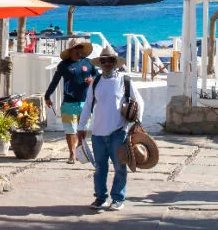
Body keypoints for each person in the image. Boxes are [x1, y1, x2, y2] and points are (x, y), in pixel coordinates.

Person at [76, 43, 144, 212]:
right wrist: (81, 127)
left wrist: (138, 123)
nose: (107, 63)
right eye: (104, 61)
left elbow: (139, 102)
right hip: (97, 133)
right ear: (100, 63)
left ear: (115, 62)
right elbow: (88, 106)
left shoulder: (124, 81)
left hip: (117, 132)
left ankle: (118, 198)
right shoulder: (96, 81)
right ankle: (100, 198)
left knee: (120, 167)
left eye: (110, 60)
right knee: (100, 168)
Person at [44, 37, 98, 163]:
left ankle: (80, 149)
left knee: (83, 128)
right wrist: (47, 96)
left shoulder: (88, 63)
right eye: (77, 47)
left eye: (81, 47)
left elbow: (96, 75)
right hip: (69, 102)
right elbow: (55, 81)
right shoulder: (64, 65)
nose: (80, 50)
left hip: (86, 102)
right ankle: (72, 153)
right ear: (72, 49)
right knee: (70, 129)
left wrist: (92, 80)